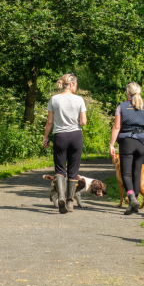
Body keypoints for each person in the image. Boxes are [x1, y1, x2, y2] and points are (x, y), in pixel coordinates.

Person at [109, 82, 144, 215]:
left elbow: (116, 127)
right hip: (142, 143)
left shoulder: (122, 106)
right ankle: (134, 203)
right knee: (137, 173)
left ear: (128, 93)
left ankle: (131, 198)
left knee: (125, 173)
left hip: (127, 142)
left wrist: (111, 144)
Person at [42, 73, 87, 213]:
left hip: (59, 136)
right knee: (73, 170)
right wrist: (77, 121)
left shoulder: (54, 99)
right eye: (76, 85)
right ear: (72, 84)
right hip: (76, 136)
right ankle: (70, 202)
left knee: (60, 169)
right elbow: (83, 122)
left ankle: (60, 195)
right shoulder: (79, 100)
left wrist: (45, 137)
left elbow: (49, 121)